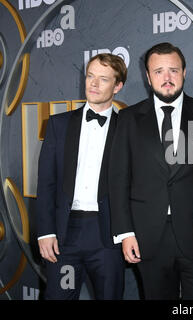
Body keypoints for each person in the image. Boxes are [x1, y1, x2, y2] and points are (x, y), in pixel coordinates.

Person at [109, 42, 193, 300]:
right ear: (148, 77)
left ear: (184, 72)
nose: (167, 78)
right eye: (158, 71)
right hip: (148, 237)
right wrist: (125, 233)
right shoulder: (128, 118)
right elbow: (118, 179)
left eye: (173, 70)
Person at [36, 53, 127, 299]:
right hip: (65, 235)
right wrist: (45, 232)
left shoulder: (128, 130)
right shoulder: (59, 125)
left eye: (103, 79)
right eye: (90, 76)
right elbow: (46, 183)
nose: (93, 84)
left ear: (117, 86)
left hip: (108, 235)